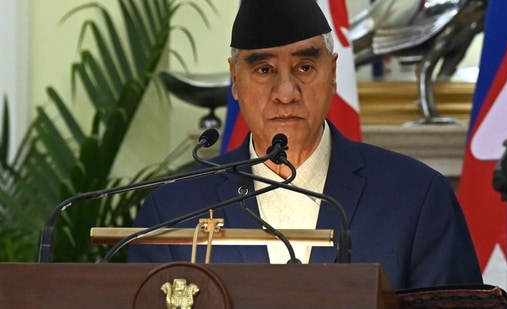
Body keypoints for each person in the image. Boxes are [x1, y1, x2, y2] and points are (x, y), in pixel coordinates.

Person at [128, 0, 483, 290]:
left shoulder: (415, 197)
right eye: (264, 70)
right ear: (235, 81)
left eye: (305, 67)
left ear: (332, 73)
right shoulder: (175, 209)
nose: (286, 93)